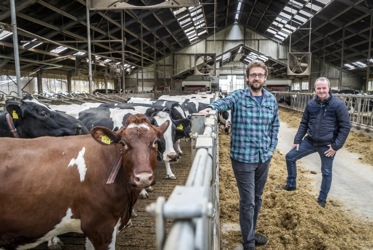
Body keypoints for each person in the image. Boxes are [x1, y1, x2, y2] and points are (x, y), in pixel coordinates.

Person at [199, 60, 280, 250]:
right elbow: (224, 102)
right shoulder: (239, 96)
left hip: (263, 157)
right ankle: (248, 243)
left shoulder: (271, 99)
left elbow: (275, 126)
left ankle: (250, 232)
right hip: (243, 158)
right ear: (247, 78)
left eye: (260, 75)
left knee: (258, 198)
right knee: (248, 201)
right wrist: (212, 108)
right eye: (253, 75)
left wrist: (271, 149)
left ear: (265, 78)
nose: (257, 78)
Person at [282, 77, 351, 208]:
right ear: (315, 89)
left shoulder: (338, 105)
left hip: (327, 145)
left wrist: (336, 146)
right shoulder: (311, 104)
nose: (321, 90)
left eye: (324, 88)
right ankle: (291, 185)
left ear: (329, 88)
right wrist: (297, 140)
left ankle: (322, 200)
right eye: (318, 88)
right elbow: (304, 123)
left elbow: (345, 126)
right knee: (290, 157)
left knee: (326, 172)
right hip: (310, 141)